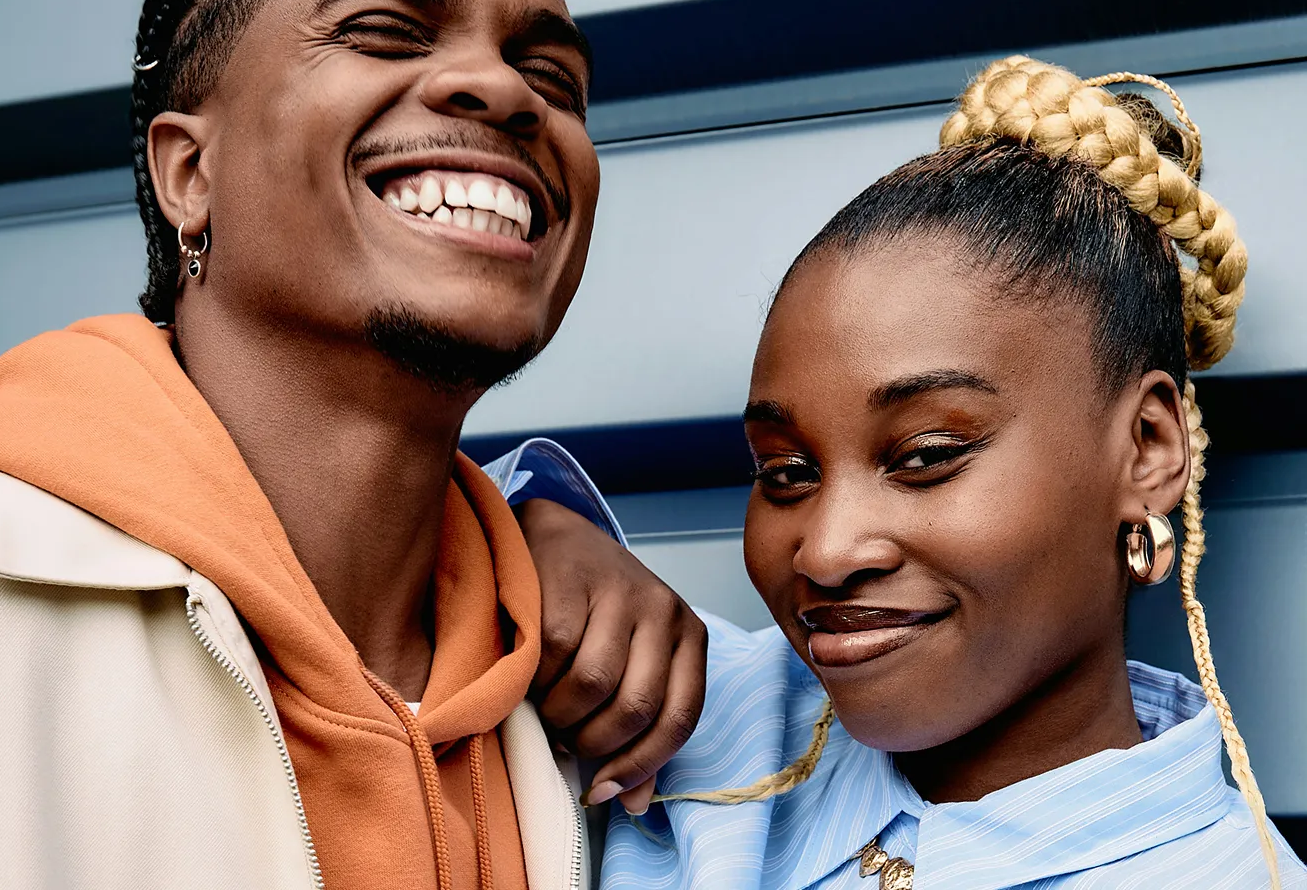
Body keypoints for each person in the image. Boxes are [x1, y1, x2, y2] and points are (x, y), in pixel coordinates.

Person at [0, 0, 708, 889]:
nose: (505, 90)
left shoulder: (624, 707)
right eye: (384, 32)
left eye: (553, 78)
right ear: (191, 173)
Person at [519, 57, 1307, 888]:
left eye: (926, 457)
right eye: (785, 472)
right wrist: (526, 536)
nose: (824, 553)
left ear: (1146, 449)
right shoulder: (685, 718)